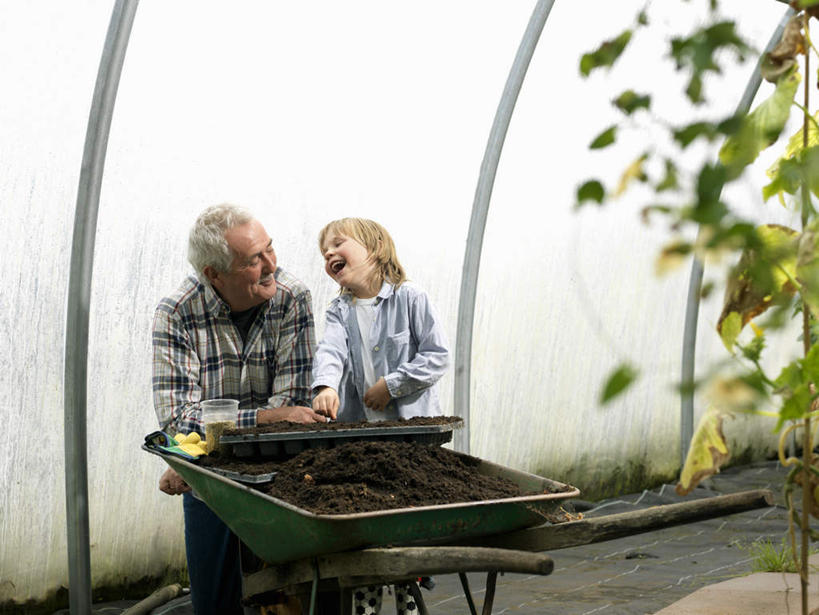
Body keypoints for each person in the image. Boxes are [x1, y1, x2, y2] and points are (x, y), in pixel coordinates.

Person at [152, 203, 325, 615]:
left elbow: (293, 405)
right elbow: (178, 419)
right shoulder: (177, 313)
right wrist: (266, 418)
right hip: (212, 485)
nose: (271, 265)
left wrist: (225, 433)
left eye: (270, 249)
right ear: (214, 274)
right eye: (253, 260)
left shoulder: (292, 298)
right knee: (215, 603)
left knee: (289, 600)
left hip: (280, 480)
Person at [311, 217, 450, 614]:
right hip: (363, 445)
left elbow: (437, 356)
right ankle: (367, 604)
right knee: (368, 532)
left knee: (405, 531)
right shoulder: (339, 311)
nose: (329, 253)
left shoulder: (410, 299)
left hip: (410, 441)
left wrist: (392, 384)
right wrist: (326, 386)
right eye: (324, 251)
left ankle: (410, 601)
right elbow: (331, 351)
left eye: (338, 243)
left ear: (374, 248)